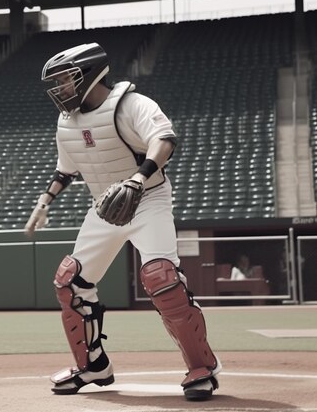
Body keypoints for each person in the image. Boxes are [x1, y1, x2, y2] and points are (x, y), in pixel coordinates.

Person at [24, 43, 221, 401]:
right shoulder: (66, 121)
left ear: (89, 74)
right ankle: (93, 365)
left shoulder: (132, 104)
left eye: (66, 80)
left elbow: (164, 140)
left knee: (161, 277)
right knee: (70, 282)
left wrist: (138, 179)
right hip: (106, 206)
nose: (60, 89)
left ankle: (201, 367)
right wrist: (44, 201)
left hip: (148, 198)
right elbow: (65, 169)